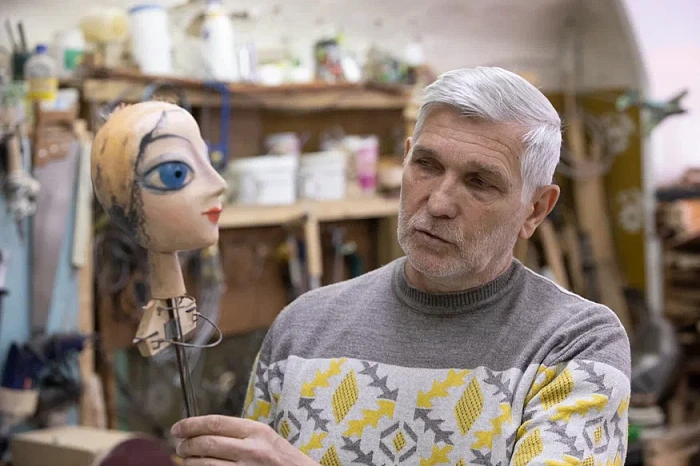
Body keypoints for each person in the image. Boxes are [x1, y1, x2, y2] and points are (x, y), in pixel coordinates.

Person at [171, 67, 631, 466]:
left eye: (479, 182)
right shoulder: (303, 327)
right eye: (426, 165)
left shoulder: (574, 346)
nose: (439, 202)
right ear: (407, 156)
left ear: (536, 208)